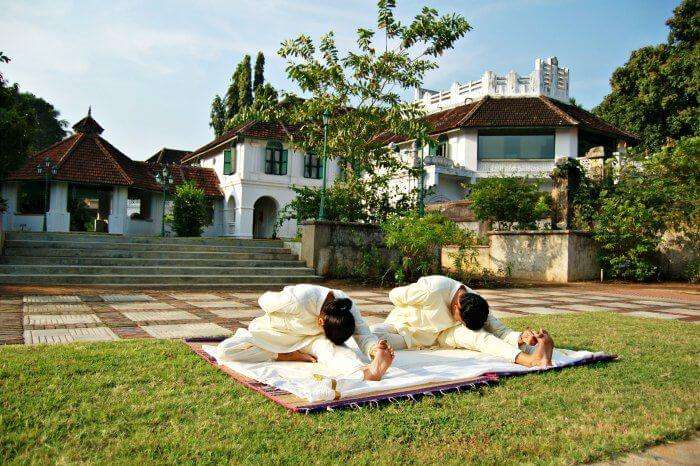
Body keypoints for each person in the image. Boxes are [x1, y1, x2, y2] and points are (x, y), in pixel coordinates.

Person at [215, 284, 394, 381]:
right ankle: (285, 355)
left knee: (337, 351)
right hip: (278, 332)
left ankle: (368, 372)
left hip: (312, 339)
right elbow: (263, 300)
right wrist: (281, 353)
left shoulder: (346, 305)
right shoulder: (298, 299)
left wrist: (375, 349)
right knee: (226, 350)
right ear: (320, 321)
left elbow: (363, 335)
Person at [371, 275, 554, 367]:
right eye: (461, 319)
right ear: (457, 305)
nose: (463, 323)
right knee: (373, 335)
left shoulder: (475, 302)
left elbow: (500, 331)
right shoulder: (430, 290)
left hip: (444, 334)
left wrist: (521, 338)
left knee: (479, 338)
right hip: (406, 328)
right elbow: (394, 295)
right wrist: (415, 301)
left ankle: (531, 359)